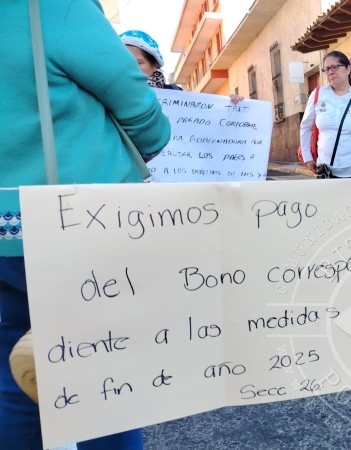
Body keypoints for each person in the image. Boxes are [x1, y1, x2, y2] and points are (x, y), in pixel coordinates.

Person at [0, 1, 171, 449]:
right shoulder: (55, 8)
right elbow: (142, 114)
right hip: (76, 229)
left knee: (13, 375)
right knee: (103, 375)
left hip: (6, 234)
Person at [300, 51, 351, 179]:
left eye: (335, 67)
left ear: (348, 68)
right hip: (327, 172)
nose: (330, 72)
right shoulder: (317, 95)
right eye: (327, 69)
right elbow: (305, 126)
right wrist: (307, 156)